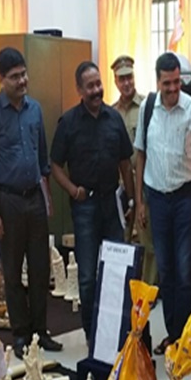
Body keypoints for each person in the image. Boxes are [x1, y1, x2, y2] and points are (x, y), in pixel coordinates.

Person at [0, 47, 62, 355]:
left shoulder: (35, 110)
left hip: (34, 200)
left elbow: (43, 159)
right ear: (1, 79)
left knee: (40, 270)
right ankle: (21, 334)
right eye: (15, 77)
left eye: (24, 74)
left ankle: (41, 332)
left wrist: (47, 197)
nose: (22, 81)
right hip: (7, 203)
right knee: (12, 272)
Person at [50, 61, 135, 340]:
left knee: (117, 271)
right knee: (87, 277)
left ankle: (117, 332)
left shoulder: (114, 119)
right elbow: (55, 165)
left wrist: (132, 201)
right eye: (91, 86)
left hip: (112, 205)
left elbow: (125, 161)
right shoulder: (69, 122)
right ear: (79, 90)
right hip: (85, 207)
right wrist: (73, 191)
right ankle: (92, 334)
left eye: (99, 84)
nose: (97, 90)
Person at [133, 52, 191, 355]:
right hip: (156, 199)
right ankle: (173, 335)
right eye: (167, 83)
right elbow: (140, 154)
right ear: (158, 81)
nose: (173, 88)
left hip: (185, 198)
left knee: (184, 270)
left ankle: (183, 338)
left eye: (177, 82)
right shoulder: (148, 109)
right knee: (165, 270)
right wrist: (139, 201)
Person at [111, 55, 157, 285]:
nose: (126, 83)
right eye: (122, 79)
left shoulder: (148, 107)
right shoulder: (111, 112)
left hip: (142, 186)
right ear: (115, 81)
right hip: (118, 188)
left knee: (148, 243)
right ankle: (124, 290)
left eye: (129, 77)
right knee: (120, 243)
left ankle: (146, 292)